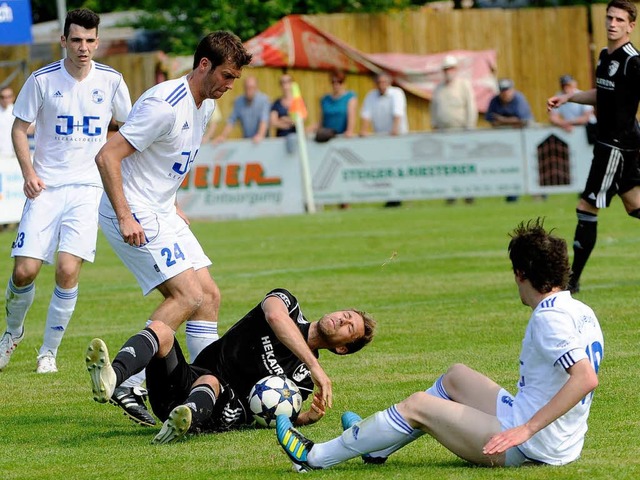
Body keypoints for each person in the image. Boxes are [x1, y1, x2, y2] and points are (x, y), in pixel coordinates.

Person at [277, 218, 603, 471]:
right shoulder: (579, 309)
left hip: (531, 445)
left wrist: (526, 430)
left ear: (520, 274)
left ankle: (317, 457)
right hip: (556, 439)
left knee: (418, 405)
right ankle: (377, 447)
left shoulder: (548, 318)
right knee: (456, 376)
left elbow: (585, 378)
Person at [94, 31, 252, 426]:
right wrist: (127, 215)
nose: (230, 86)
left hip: (161, 210)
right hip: (132, 211)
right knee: (188, 294)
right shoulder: (166, 105)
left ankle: (203, 386)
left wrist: (174, 204)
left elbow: (164, 161)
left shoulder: (204, 107)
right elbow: (107, 156)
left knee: (210, 295)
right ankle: (128, 382)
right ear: (204, 65)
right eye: (228, 76)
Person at [0, 9, 132, 375]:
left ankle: (48, 352)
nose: (84, 47)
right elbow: (18, 129)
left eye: (90, 40)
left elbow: (131, 130)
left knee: (67, 268)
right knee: (25, 271)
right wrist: (28, 172)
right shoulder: (42, 80)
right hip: (45, 189)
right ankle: (11, 334)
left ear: (97, 42)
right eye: (76, 40)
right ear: (63, 41)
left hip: (88, 189)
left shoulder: (112, 81)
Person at [85, 288, 376, 444]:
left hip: (222, 409)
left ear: (341, 348)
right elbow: (275, 318)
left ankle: (181, 424)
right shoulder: (287, 304)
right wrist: (315, 366)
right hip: (185, 383)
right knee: (162, 331)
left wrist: (306, 419)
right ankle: (113, 376)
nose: (343, 319)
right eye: (347, 314)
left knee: (211, 382)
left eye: (350, 327)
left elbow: (276, 414)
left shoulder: (302, 381)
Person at [547, 0, 640, 293]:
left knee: (586, 205)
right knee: (634, 203)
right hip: (609, 143)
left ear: (631, 26)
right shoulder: (604, 55)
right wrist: (570, 97)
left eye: (619, 20)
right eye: (609, 18)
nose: (612, 23)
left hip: (616, 146)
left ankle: (571, 281)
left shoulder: (632, 61)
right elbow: (603, 94)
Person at [431, 55, 477, 205]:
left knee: (464, 165)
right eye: (446, 69)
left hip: (461, 131)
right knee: (447, 167)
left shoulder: (463, 85)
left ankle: (468, 194)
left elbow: (471, 106)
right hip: (444, 132)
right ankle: (451, 195)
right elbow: (434, 108)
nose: (448, 71)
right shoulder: (439, 88)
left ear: (455, 69)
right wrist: (434, 126)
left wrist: (469, 128)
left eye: (450, 68)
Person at [486, 78, 534, 202]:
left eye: (507, 90)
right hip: (505, 143)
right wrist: (512, 120)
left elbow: (523, 120)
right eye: (502, 90)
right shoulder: (494, 101)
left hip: (524, 141)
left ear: (512, 89)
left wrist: (502, 120)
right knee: (509, 168)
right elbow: (491, 120)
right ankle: (512, 196)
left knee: (529, 166)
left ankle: (539, 194)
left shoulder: (519, 99)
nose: (505, 93)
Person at [212, 75, 270, 144]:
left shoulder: (264, 100)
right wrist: (223, 136)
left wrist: (260, 135)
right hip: (247, 140)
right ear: (244, 88)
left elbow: (264, 120)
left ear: (257, 87)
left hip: (263, 141)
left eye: (252, 87)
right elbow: (231, 121)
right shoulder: (239, 101)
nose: (249, 90)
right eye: (247, 88)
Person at [359, 72, 408, 137]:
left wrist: (395, 130)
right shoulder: (371, 95)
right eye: (379, 82)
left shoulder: (397, 93)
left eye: (384, 82)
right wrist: (363, 130)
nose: (381, 85)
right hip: (380, 136)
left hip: (398, 136)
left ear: (389, 83)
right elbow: (366, 115)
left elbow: (398, 113)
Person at [315, 70, 357, 138]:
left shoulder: (350, 97)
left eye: (339, 82)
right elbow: (321, 121)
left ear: (344, 82)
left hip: (342, 137)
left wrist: (349, 131)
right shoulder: (325, 99)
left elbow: (351, 117)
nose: (336, 84)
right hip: (326, 137)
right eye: (333, 82)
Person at [0, 86, 16, 159]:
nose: (5, 99)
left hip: (14, 154)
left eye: (8, 96)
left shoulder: (18, 112)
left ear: (13, 97)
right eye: (3, 97)